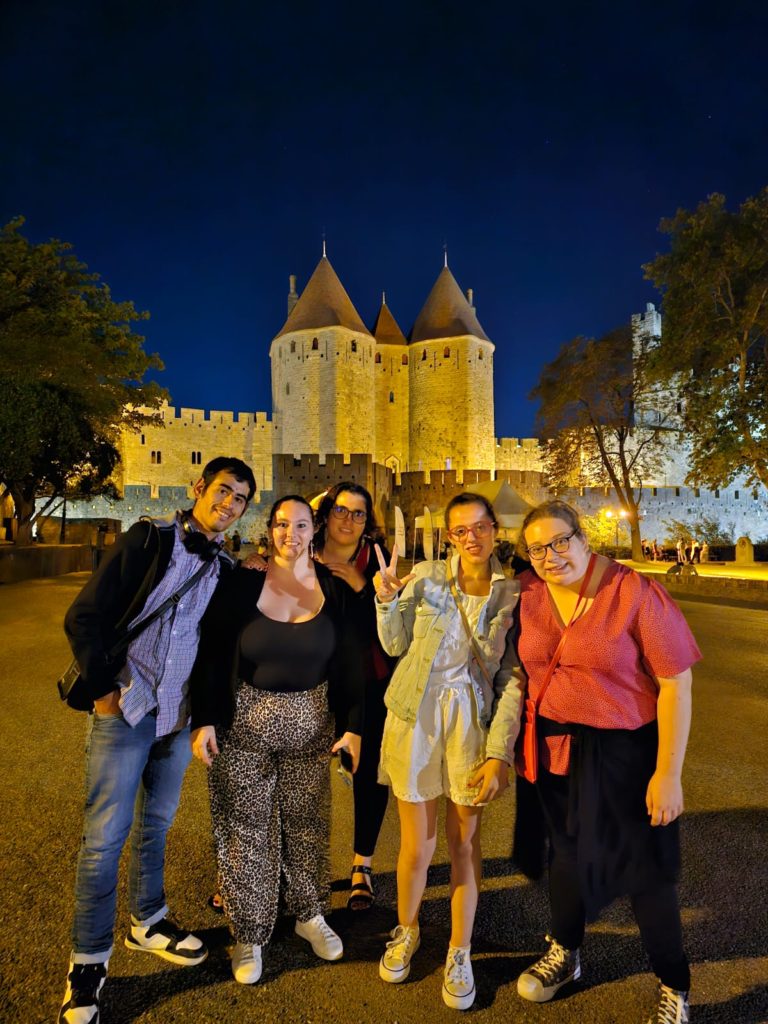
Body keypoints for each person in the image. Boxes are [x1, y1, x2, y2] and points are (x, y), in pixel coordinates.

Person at [58, 456, 256, 1024]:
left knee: (157, 827)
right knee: (103, 841)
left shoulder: (222, 567)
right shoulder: (147, 539)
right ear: (198, 488)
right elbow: (85, 616)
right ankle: (88, 965)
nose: (229, 504)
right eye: (223, 491)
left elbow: (217, 646)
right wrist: (102, 691)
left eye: (241, 498)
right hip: (125, 709)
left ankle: (148, 920)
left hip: (175, 716)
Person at [513, 500, 700, 1024]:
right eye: (537, 548)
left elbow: (675, 683)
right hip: (554, 749)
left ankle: (674, 985)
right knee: (566, 857)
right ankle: (566, 951)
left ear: (583, 537)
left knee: (644, 872)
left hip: (625, 753)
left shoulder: (633, 591)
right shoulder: (527, 593)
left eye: (559, 541)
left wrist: (668, 772)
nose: (550, 556)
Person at [189, 495, 364, 985]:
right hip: (245, 724)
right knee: (247, 831)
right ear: (270, 529)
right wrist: (205, 718)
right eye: (283, 524)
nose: (292, 533)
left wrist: (352, 726)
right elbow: (213, 651)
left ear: (315, 530)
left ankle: (310, 913)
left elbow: (349, 665)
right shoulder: (243, 581)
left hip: (312, 727)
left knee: (308, 823)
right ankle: (250, 930)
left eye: (302, 524)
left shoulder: (334, 587)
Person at [373, 492, 524, 1011]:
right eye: (459, 530)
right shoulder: (428, 576)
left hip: (470, 722)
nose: (470, 538)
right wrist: (387, 598)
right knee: (418, 844)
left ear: (495, 528)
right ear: (449, 535)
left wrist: (499, 752)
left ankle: (460, 949)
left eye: (479, 527)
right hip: (416, 713)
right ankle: (408, 928)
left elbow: (512, 679)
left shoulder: (512, 594)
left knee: (464, 844)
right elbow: (394, 645)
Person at [312, 482, 396, 911]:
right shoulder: (297, 554)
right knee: (299, 780)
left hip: (368, 682)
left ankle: (362, 863)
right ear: (325, 514)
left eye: (359, 513)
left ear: (368, 522)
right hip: (309, 684)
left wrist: (365, 587)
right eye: (341, 510)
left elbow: (390, 629)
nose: (348, 520)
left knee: (368, 775)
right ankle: (278, 869)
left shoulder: (379, 563)